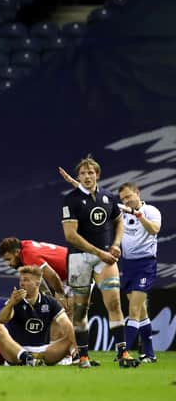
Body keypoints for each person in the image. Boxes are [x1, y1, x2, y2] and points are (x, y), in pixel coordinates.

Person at [60, 156, 138, 368]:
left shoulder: (109, 197)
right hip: (79, 258)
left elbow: (119, 220)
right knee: (80, 309)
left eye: (91, 173)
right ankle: (83, 356)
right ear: (78, 176)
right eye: (83, 173)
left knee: (113, 303)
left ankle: (123, 352)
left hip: (106, 257)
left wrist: (116, 244)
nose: (87, 177)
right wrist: (99, 252)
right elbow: (70, 235)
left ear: (97, 175)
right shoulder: (71, 199)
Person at [117, 182, 161, 363]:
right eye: (123, 199)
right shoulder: (121, 212)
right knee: (141, 311)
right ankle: (150, 354)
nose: (126, 201)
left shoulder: (151, 211)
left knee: (133, 310)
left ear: (137, 193)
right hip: (127, 265)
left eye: (128, 196)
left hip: (145, 264)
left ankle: (123, 353)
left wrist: (138, 215)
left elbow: (154, 230)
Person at [0, 266, 74, 363]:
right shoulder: (14, 300)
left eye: (26, 280)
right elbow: (2, 320)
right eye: (20, 280)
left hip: (43, 352)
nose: (22, 283)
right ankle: (26, 358)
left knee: (72, 333)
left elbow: (66, 324)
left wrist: (73, 346)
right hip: (17, 350)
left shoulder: (50, 302)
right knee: (1, 335)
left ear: (37, 283)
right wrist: (11, 304)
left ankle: (78, 356)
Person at [0, 307, 73, 366]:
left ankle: (71, 355)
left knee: (1, 332)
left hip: (13, 349)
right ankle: (70, 356)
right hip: (13, 355)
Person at [0, 237, 68, 305]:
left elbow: (52, 276)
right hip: (66, 271)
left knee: (66, 307)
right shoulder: (22, 246)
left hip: (72, 270)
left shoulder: (29, 255)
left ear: (17, 252)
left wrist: (61, 296)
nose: (9, 264)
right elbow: (40, 282)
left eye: (9, 259)